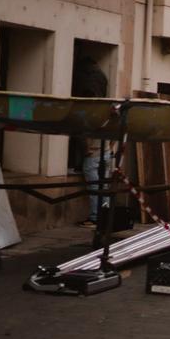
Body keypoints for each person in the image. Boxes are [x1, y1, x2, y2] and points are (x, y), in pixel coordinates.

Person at [72, 56, 108, 228]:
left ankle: (95, 218)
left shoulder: (85, 110)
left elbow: (80, 130)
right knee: (104, 185)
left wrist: (85, 149)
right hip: (105, 149)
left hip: (93, 151)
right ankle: (105, 216)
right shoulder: (105, 106)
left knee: (95, 186)